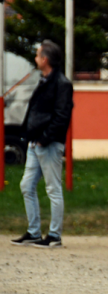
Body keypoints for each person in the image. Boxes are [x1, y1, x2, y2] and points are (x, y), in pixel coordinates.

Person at [11, 40, 74, 248]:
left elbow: (62, 116)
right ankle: (34, 232)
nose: (35, 59)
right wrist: (29, 135)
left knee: (53, 188)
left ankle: (54, 235)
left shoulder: (62, 84)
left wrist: (45, 138)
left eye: (38, 55)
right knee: (26, 185)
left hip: (48, 144)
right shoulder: (44, 80)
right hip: (34, 143)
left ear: (45, 59)